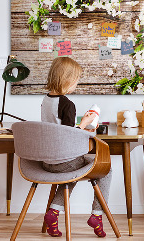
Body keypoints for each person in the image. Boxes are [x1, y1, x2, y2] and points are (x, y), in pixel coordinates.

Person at [41, 57, 112, 238]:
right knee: (106, 169)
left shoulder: (46, 100)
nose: (76, 84)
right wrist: (85, 124)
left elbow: (58, 130)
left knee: (71, 173)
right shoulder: (67, 104)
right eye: (76, 80)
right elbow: (69, 136)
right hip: (64, 161)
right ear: (67, 79)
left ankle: (54, 213)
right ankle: (97, 215)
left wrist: (82, 125)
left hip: (47, 161)